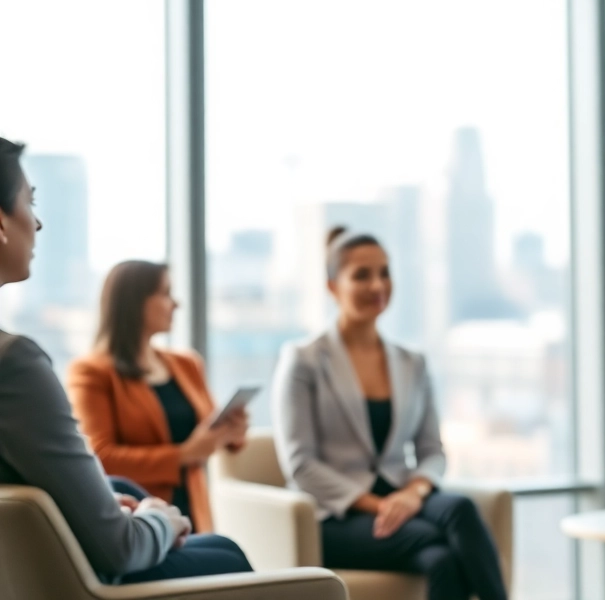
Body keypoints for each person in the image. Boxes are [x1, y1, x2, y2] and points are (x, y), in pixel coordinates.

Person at [0, 137, 252, 583]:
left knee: (136, 499)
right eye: (29, 202)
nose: (37, 223)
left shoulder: (184, 363)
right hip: (85, 572)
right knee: (225, 553)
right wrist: (159, 517)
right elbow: (119, 547)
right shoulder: (16, 363)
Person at [272, 227, 507, 600]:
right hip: (335, 515)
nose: (377, 285)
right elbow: (300, 465)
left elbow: (433, 451)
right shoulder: (304, 360)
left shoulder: (412, 363)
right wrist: (381, 505)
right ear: (332, 286)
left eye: (384, 272)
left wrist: (413, 494)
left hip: (402, 496)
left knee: (453, 527)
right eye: (361, 275)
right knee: (437, 539)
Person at [68, 260, 248, 534]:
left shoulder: (187, 364)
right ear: (134, 302)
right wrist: (185, 455)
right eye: (165, 293)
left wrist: (232, 430)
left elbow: (208, 431)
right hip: (139, 521)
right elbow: (102, 457)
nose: (176, 304)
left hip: (195, 514)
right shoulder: (91, 372)